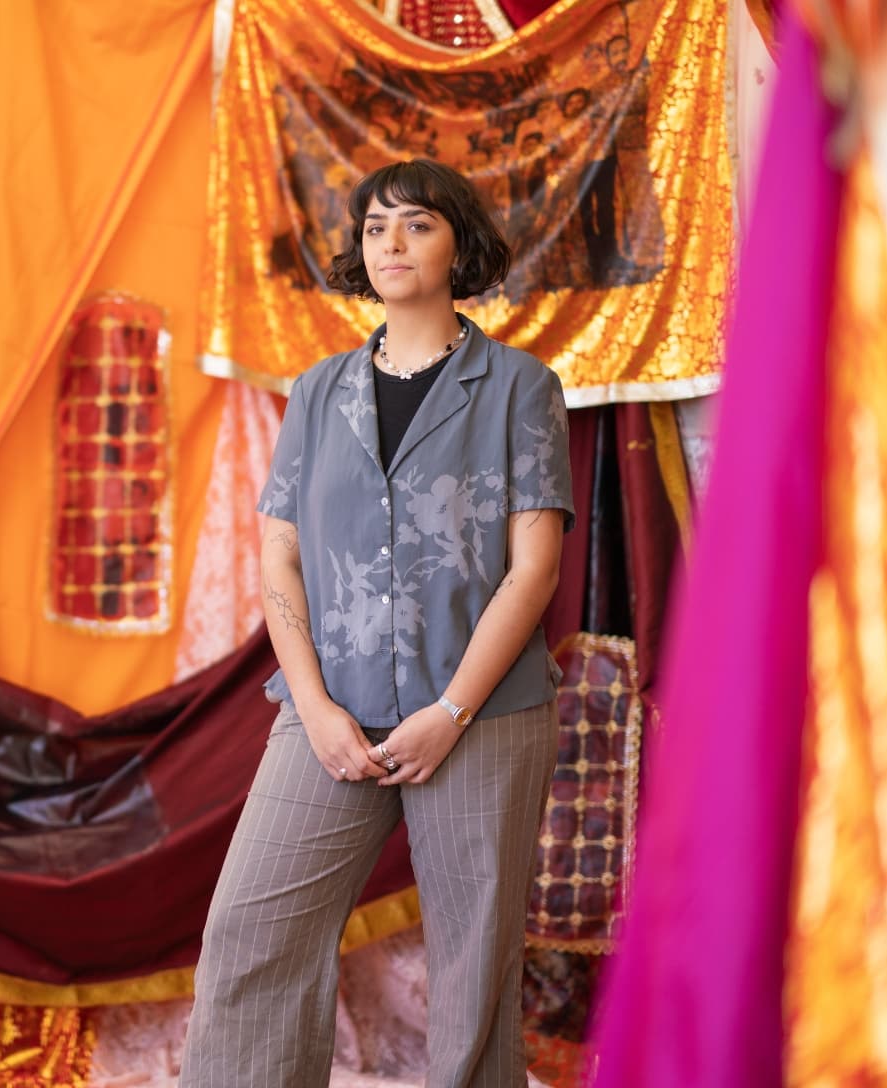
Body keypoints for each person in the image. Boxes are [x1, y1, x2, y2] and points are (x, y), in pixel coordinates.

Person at [180, 158, 573, 1087]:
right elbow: (278, 553)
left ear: (458, 244)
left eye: (417, 225)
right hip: (332, 711)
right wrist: (313, 708)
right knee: (250, 932)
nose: (391, 243)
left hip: (484, 714)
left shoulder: (520, 386)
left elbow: (535, 567)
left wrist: (452, 711)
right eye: (375, 228)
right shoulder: (319, 391)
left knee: (472, 973)